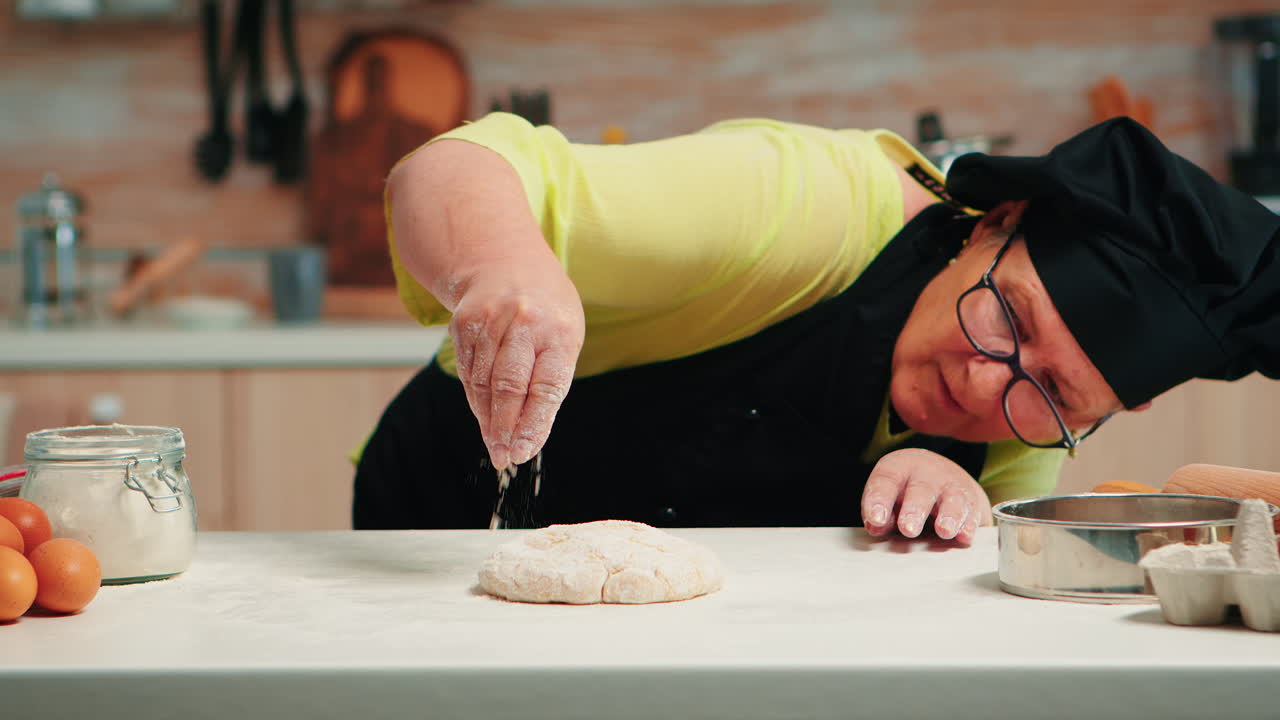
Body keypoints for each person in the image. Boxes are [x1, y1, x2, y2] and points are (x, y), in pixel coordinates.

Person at [353, 112, 1280, 543]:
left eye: (1051, 395)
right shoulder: (800, 208)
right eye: (1005, 317)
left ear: (1124, 406)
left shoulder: (1035, 420)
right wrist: (500, 266)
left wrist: (939, 495)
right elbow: (450, 170)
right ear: (992, 227)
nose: (985, 380)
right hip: (449, 515)